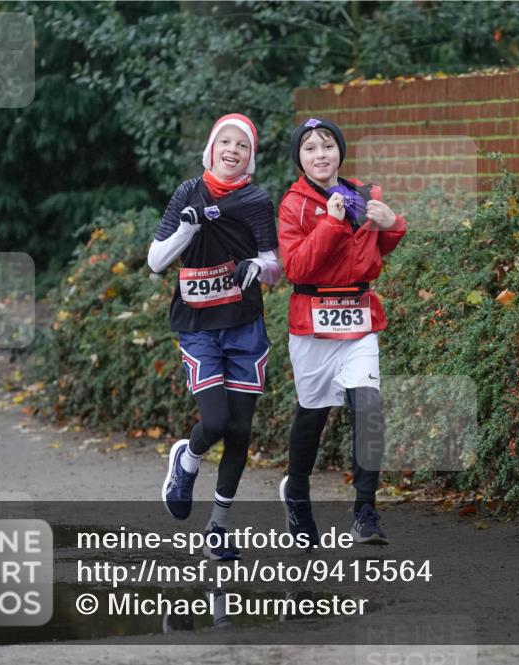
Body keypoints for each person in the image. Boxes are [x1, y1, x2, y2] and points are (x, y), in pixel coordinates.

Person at [150, 113, 281, 560]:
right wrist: (186, 230)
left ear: (250, 157)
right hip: (198, 326)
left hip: (244, 326)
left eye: (241, 145)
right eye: (225, 141)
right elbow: (154, 260)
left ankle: (218, 528)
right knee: (218, 422)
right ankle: (188, 458)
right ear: (211, 148)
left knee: (241, 432)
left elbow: (275, 265)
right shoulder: (188, 192)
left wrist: (257, 268)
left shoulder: (257, 200)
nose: (232, 150)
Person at [276, 117, 407, 546]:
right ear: (300, 157)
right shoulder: (293, 204)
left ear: (339, 152)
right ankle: (297, 494)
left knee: (369, 408)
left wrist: (393, 225)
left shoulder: (365, 194)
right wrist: (330, 224)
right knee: (313, 415)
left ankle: (365, 510)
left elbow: (374, 249)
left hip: (358, 315)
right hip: (311, 322)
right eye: (310, 148)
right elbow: (296, 267)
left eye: (327, 145)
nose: (320, 154)